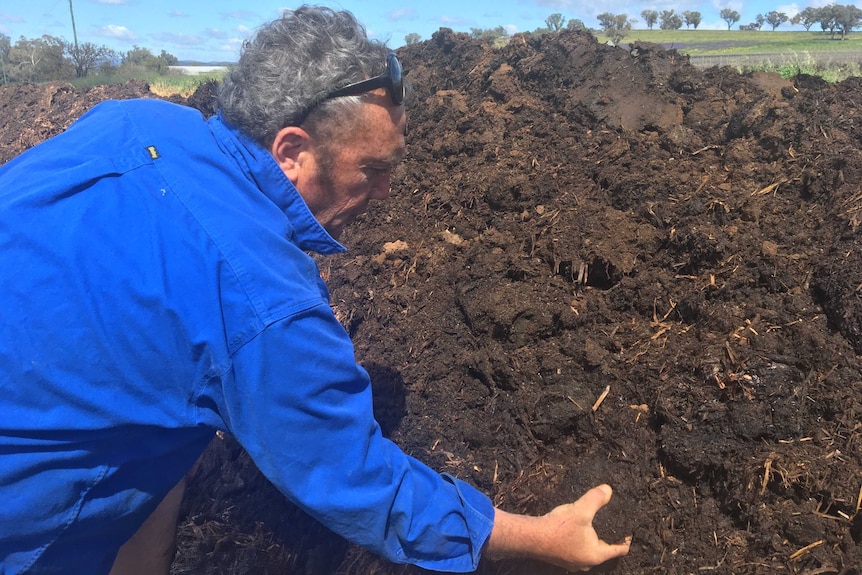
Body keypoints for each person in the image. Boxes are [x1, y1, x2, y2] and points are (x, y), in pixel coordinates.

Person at [0, 6, 631, 574]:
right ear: (292, 151)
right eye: (373, 169)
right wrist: (538, 536)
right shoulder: (262, 301)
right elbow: (354, 478)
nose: (385, 193)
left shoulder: (132, 122)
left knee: (172, 428)